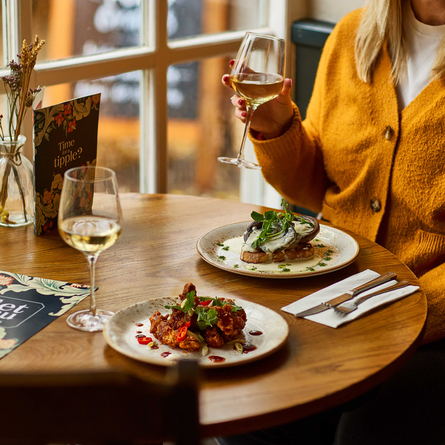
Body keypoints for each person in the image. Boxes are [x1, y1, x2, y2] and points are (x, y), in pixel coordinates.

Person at [216, 0, 445, 444]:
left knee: (367, 429)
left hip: (429, 324)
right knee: (246, 404)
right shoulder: (352, 34)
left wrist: (401, 312)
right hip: (333, 298)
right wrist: (278, 126)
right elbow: (313, 187)